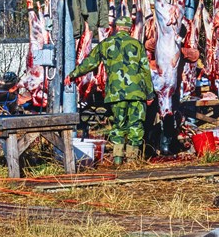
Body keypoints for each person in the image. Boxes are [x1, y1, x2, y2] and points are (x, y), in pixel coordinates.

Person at [65, 16, 154, 165]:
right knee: (136, 125)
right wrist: (150, 94)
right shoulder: (137, 45)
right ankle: (132, 161)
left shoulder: (106, 44)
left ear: (116, 28)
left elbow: (90, 63)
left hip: (116, 94)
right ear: (130, 29)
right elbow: (145, 70)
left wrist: (73, 75)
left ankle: (118, 160)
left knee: (119, 126)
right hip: (137, 93)